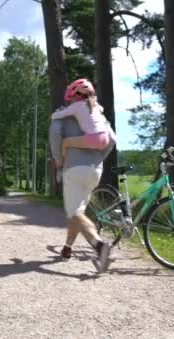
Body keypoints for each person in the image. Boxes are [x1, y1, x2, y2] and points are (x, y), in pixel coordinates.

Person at [49, 80, 116, 272]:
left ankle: (100, 246)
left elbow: (55, 135)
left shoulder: (64, 114)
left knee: (75, 213)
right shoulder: (97, 113)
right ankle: (67, 247)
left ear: (70, 96)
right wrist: (98, 158)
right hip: (95, 171)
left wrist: (58, 159)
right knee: (78, 211)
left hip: (73, 168)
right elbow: (111, 141)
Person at [51, 79, 110, 161]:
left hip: (94, 138)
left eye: (71, 97)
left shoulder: (76, 106)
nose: (71, 100)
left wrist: (58, 112)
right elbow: (102, 109)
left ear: (76, 95)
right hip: (106, 138)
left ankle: (61, 164)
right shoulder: (94, 105)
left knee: (66, 142)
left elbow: (55, 116)